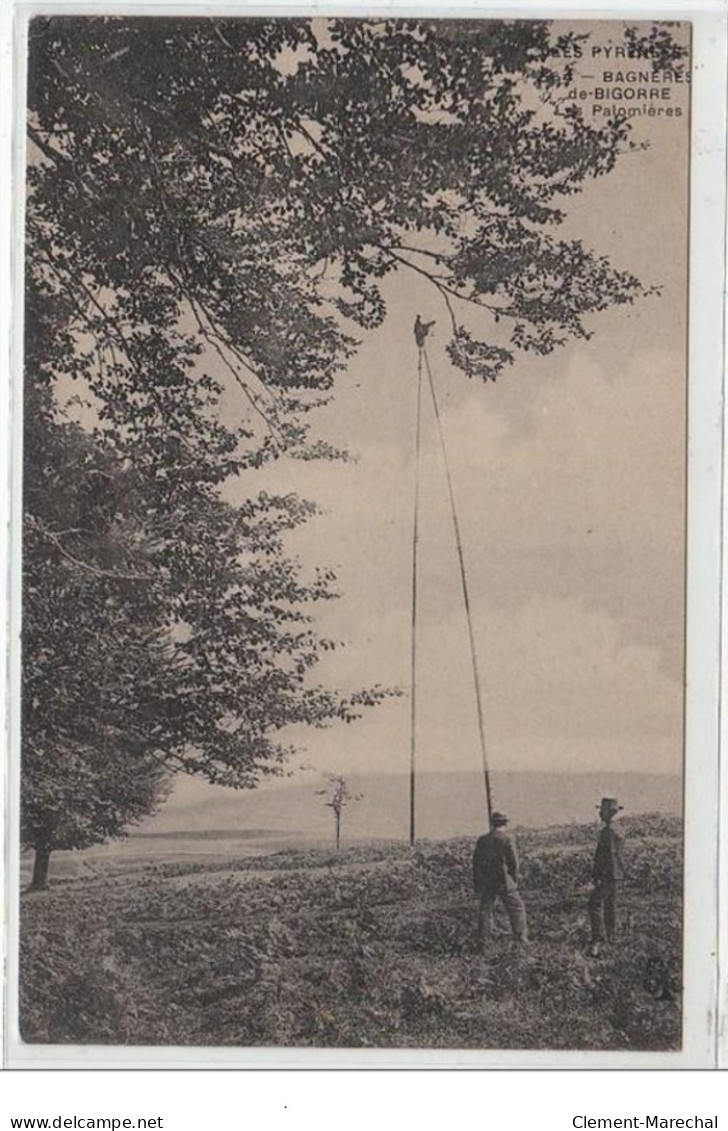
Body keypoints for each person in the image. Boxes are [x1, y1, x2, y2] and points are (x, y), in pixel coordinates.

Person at [472, 811, 529, 946]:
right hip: (504, 880)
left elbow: (476, 863)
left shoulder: (482, 840)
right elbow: (514, 863)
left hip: (487, 881)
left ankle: (483, 941)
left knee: (485, 910)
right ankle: (520, 940)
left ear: (492, 824)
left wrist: (478, 882)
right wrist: (513, 880)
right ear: (504, 824)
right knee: (517, 908)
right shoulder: (507, 839)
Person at [587, 797, 626, 956]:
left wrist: (598, 875)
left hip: (608, 874)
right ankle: (612, 937)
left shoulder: (608, 831)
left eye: (601, 811)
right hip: (616, 873)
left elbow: (607, 855)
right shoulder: (619, 829)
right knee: (610, 905)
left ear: (608, 812)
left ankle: (598, 937)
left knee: (594, 904)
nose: (599, 813)